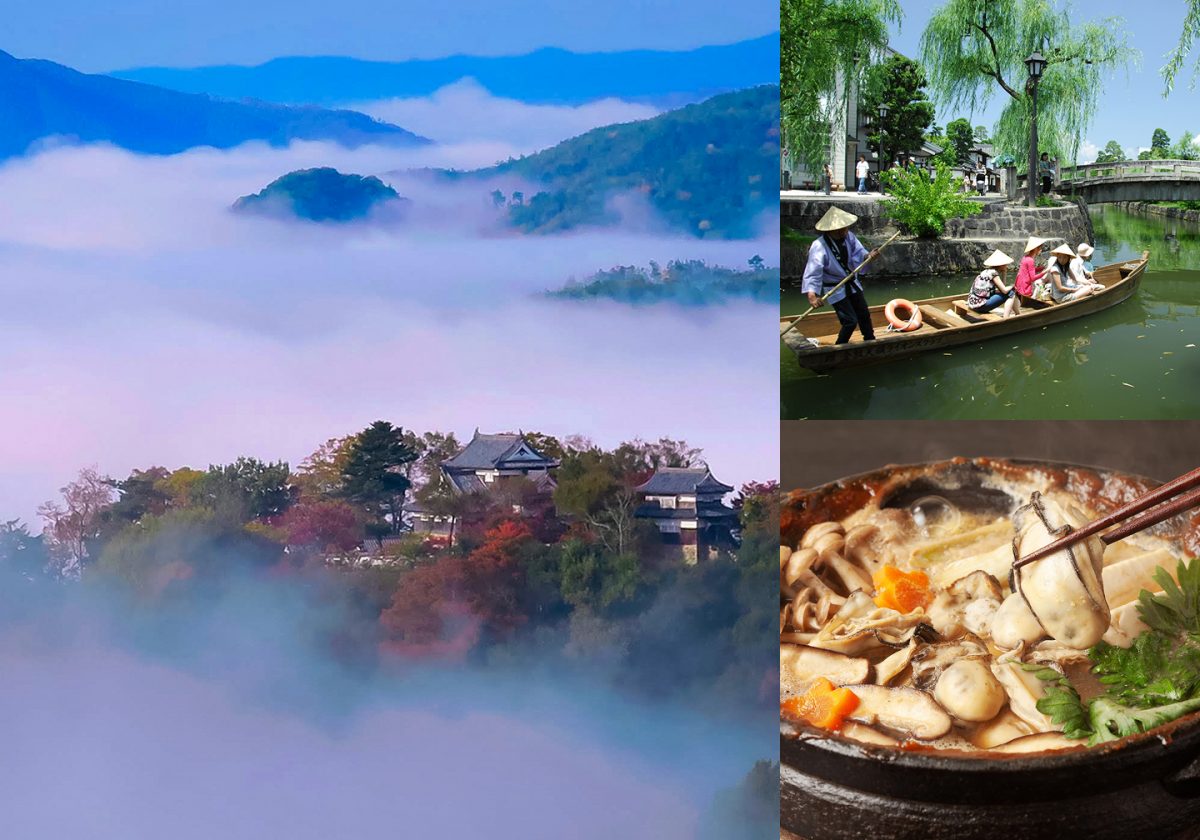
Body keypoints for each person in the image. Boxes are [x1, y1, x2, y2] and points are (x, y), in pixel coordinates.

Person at [802, 206, 880, 344]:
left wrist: (869, 256)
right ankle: (840, 346)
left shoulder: (848, 236)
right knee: (850, 321)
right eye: (843, 228)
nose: (846, 230)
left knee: (864, 313)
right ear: (833, 230)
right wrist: (812, 295)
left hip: (851, 281)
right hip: (835, 287)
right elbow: (814, 270)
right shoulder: (819, 246)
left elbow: (859, 252)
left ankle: (870, 340)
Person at [966, 250, 1020, 317]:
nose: (1007, 266)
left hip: (972, 303)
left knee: (1008, 292)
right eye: (1005, 264)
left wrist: (1004, 273)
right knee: (1011, 293)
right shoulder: (993, 273)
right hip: (981, 306)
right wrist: (1013, 286)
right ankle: (1007, 317)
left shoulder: (986, 271)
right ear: (1001, 265)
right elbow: (1004, 290)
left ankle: (1017, 314)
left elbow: (1002, 288)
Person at [1015, 236, 1049, 301]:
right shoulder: (1030, 260)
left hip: (1019, 287)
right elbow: (1032, 278)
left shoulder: (1026, 257)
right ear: (1036, 249)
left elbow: (1029, 271)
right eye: (1040, 248)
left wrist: (1040, 268)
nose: (1041, 250)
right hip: (1025, 289)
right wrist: (1045, 271)